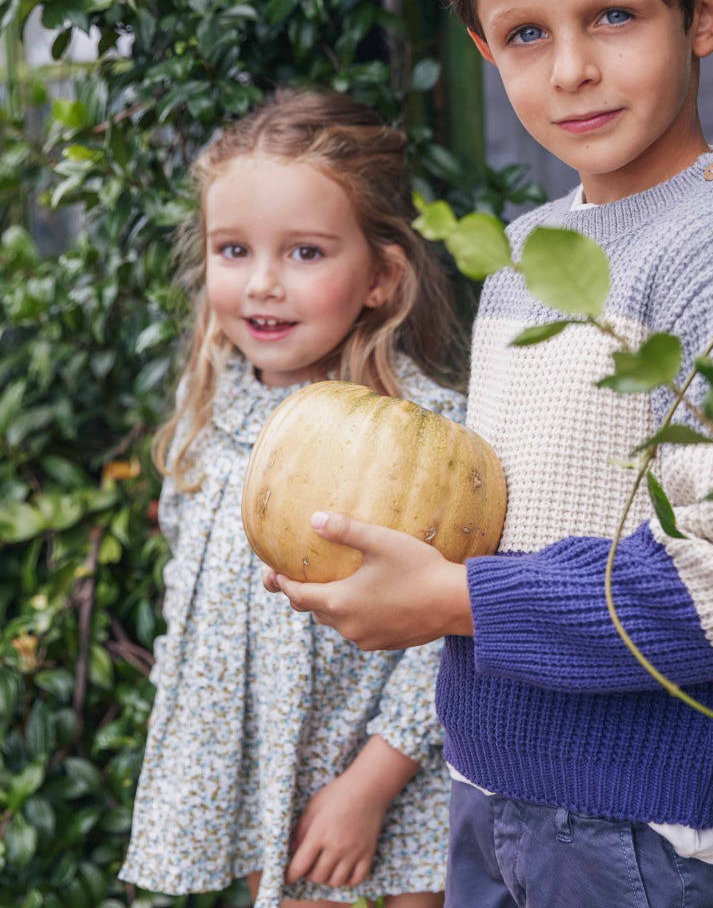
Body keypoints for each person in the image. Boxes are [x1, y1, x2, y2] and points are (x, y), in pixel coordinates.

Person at [266, 0, 713, 906]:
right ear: (484, 48)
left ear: (703, 13)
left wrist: (458, 600)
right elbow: (517, 510)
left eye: (614, 15)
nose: (572, 68)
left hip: (627, 830)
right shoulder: (532, 255)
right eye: (527, 34)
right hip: (486, 788)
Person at [120, 88, 464, 908]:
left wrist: (370, 788)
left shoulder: (417, 437)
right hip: (263, 769)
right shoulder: (212, 412)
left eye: (305, 253)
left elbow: (446, 635)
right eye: (233, 250)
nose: (263, 284)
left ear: (382, 277)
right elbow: (191, 595)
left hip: (390, 781)